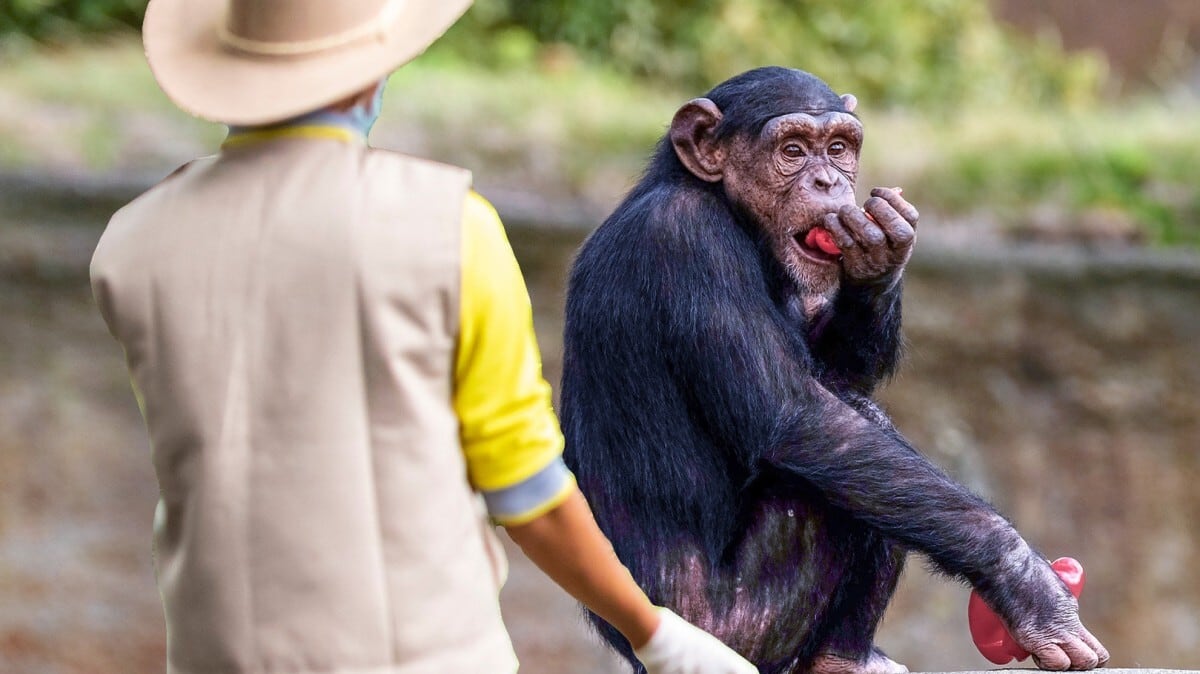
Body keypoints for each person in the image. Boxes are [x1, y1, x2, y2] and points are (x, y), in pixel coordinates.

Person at [90, 1, 759, 673]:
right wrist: (654, 634)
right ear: (366, 75)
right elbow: (524, 487)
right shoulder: (448, 227)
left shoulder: (131, 242)